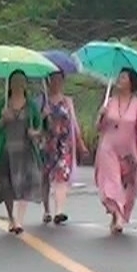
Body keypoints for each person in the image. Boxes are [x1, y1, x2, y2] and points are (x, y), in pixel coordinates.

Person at [93, 68, 137, 235]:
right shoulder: (109, 102)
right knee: (111, 181)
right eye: (119, 77)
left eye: (124, 77)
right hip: (108, 147)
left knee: (126, 186)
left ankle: (118, 214)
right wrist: (101, 115)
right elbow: (99, 127)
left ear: (132, 82)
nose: (119, 80)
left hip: (129, 150)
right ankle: (118, 215)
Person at [0, 71, 47, 234]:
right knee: (6, 185)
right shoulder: (3, 104)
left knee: (26, 184)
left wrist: (35, 133)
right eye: (15, 81)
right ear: (9, 84)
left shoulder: (31, 105)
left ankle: (20, 220)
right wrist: (4, 120)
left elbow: (40, 128)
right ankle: (11, 217)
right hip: (7, 150)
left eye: (21, 80)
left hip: (26, 150)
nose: (18, 84)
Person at [39, 70, 86, 226]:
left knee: (62, 176)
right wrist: (42, 116)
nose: (56, 82)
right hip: (46, 143)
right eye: (53, 79)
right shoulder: (41, 101)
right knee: (44, 177)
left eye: (59, 79)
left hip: (64, 143)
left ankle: (59, 211)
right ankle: (46, 209)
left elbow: (74, 122)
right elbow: (34, 124)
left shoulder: (67, 101)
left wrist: (80, 143)